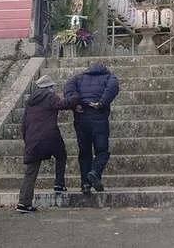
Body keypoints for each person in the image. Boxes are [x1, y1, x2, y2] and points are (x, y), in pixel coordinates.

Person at [16, 75, 72, 213]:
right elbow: (63, 105)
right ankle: (59, 184)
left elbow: (23, 124)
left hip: (32, 139)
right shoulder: (50, 97)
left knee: (31, 172)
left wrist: (27, 140)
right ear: (49, 87)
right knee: (61, 154)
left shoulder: (30, 101)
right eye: (52, 87)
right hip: (49, 136)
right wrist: (76, 97)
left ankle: (23, 203)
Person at [64, 63, 119, 194]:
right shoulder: (109, 77)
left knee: (84, 152)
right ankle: (95, 172)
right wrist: (101, 103)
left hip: (81, 117)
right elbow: (112, 88)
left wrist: (74, 105)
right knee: (102, 151)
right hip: (99, 117)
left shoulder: (78, 78)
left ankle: (85, 184)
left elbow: (68, 88)